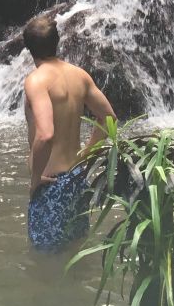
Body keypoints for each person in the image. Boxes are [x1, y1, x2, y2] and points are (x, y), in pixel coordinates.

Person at [24, 14, 116, 251]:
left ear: (29, 49)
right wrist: (87, 154)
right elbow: (109, 119)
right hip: (77, 178)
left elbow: (45, 134)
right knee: (76, 250)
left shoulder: (36, 81)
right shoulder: (79, 75)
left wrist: (35, 180)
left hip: (49, 184)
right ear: (57, 42)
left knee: (46, 260)